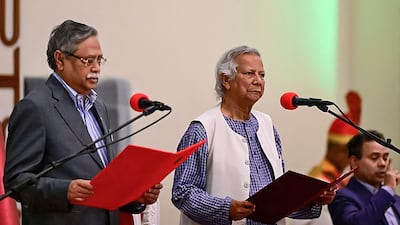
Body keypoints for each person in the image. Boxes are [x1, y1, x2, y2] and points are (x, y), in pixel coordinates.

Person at [3, 19, 162, 225]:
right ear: (60, 59)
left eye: (99, 59)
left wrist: (134, 197)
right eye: (88, 60)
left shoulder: (99, 106)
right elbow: (16, 182)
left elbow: (101, 182)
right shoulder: (35, 108)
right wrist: (64, 191)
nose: (96, 68)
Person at [171, 45, 335, 225]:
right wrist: (226, 209)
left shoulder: (267, 125)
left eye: (262, 75)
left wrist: (313, 200)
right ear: (226, 79)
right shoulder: (202, 129)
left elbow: (279, 197)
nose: (258, 81)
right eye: (249, 74)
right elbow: (183, 192)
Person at [288, 91, 362, 225]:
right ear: (337, 149)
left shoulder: (339, 179)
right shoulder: (319, 180)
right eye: (347, 152)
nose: (349, 158)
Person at [328, 130, 400, 225]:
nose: (383, 164)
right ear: (354, 162)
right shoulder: (342, 197)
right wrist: (387, 189)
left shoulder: (395, 198)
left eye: (385, 158)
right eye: (374, 158)